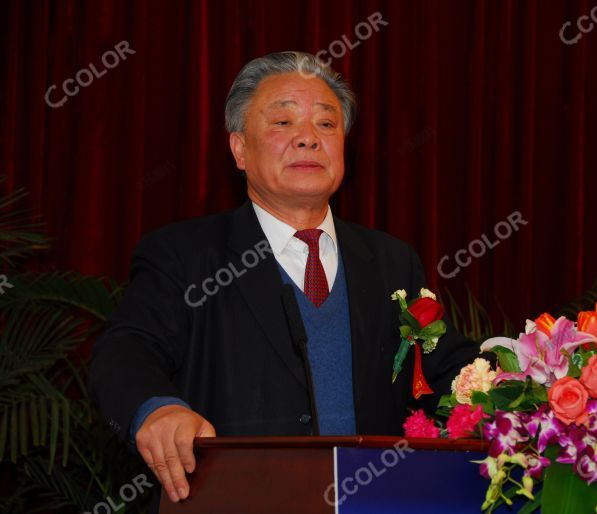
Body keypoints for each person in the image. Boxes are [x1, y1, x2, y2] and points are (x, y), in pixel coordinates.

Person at [88, 51, 479, 506]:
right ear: (239, 149)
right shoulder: (184, 255)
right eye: (283, 123)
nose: (308, 139)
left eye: (326, 124)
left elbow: (448, 369)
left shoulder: (391, 260)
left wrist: (526, 384)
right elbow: (125, 351)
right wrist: (159, 409)